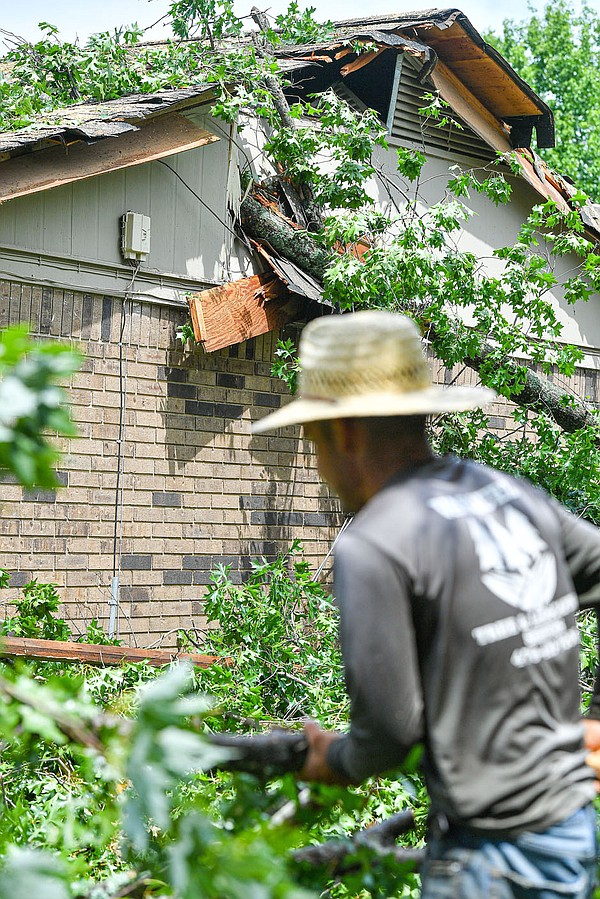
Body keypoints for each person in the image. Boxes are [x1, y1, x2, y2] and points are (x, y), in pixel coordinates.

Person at [252, 310, 600, 898]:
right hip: (569, 830)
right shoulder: (506, 495)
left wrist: (329, 759)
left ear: (346, 434)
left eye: (312, 441)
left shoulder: (375, 542)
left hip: (491, 857)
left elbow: (389, 731)